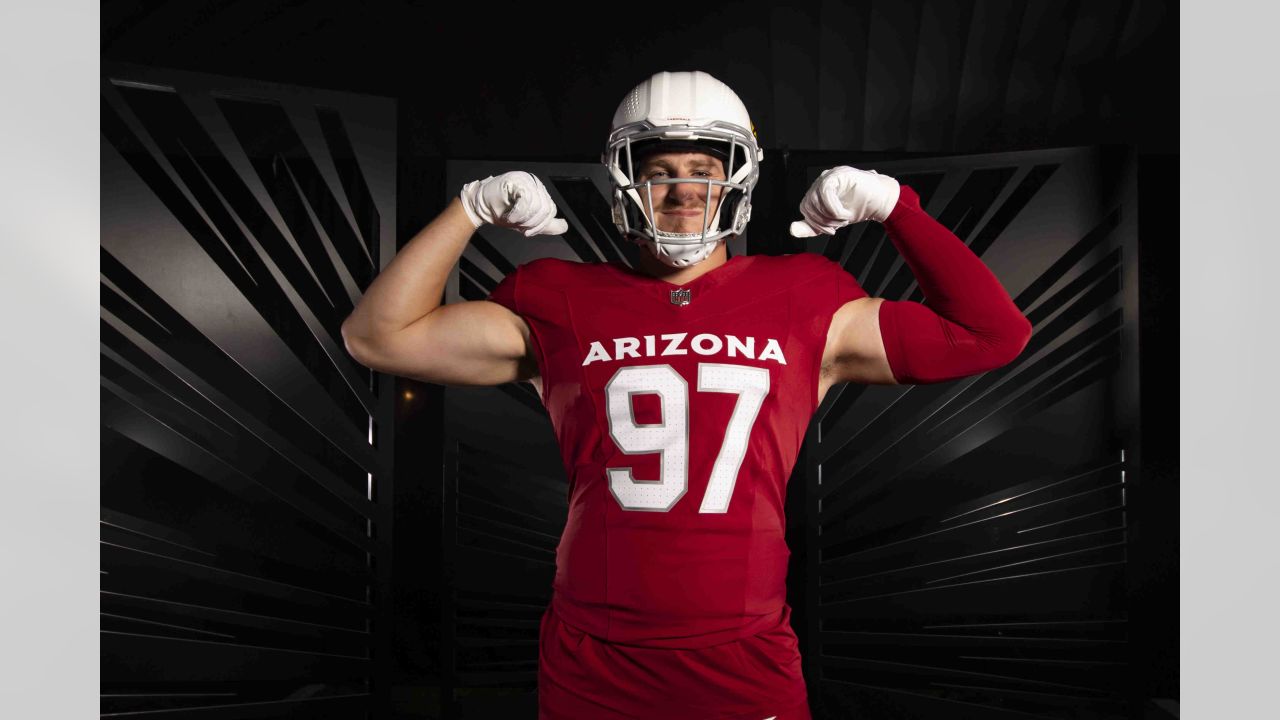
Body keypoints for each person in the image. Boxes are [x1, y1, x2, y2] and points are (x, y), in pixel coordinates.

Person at [341, 70, 1032, 720]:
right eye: (660, 173)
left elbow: (990, 335)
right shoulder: (559, 297)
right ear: (624, 184)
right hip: (593, 654)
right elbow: (379, 338)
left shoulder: (803, 295)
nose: (682, 192)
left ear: (737, 180)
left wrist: (894, 209)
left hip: (744, 651)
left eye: (703, 172)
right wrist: (469, 209)